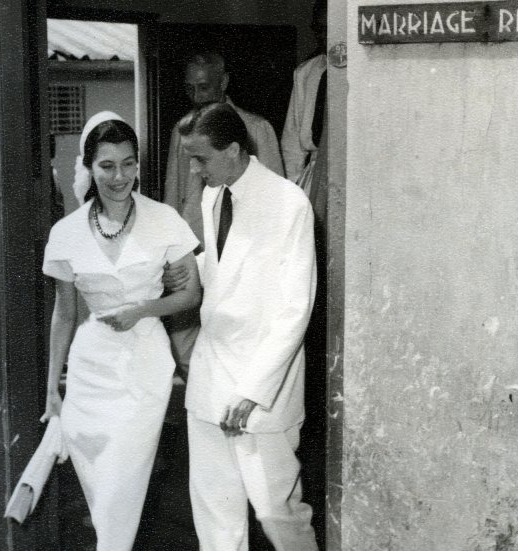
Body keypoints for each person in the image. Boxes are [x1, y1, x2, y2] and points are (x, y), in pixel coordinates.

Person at [40, 111, 201, 551]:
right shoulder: (67, 233)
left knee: (120, 480)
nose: (120, 176)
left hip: (144, 365)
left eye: (128, 163)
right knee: (100, 485)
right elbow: (64, 316)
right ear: (89, 167)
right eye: (107, 165)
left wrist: (144, 309)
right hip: (92, 369)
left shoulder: (163, 219)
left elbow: (190, 296)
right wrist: (53, 387)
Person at [177, 102, 318, 551]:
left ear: (234, 149)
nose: (194, 171)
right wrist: (192, 269)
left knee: (277, 513)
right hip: (211, 373)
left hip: (260, 385)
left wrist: (253, 389)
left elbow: (296, 308)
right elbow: (226, 269)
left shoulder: (288, 203)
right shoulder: (212, 194)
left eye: (201, 158)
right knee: (217, 517)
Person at [163, 51, 284, 248]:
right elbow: (173, 191)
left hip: (241, 243)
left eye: (203, 87)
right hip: (191, 244)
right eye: (189, 88)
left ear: (224, 82)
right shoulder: (181, 131)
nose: (196, 97)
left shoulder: (256, 128)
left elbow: (275, 200)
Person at [281, 0, 327, 192]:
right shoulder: (306, 72)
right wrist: (293, 187)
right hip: (314, 173)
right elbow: (292, 141)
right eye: (320, 29)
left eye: (331, 28)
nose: (325, 36)